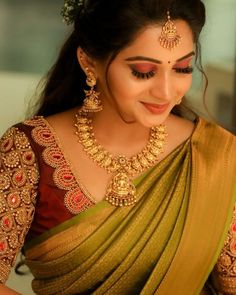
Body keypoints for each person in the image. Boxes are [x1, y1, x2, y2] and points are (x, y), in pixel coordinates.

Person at [0, 0, 235, 294]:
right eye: (143, 71)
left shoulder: (215, 158)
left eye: (183, 68)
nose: (165, 90)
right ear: (89, 62)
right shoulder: (29, 151)